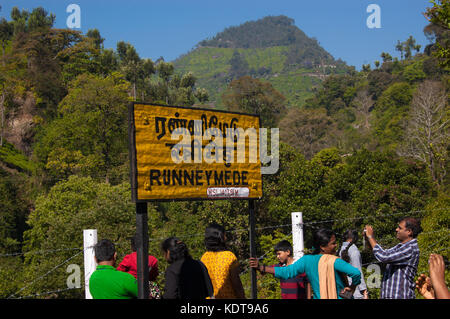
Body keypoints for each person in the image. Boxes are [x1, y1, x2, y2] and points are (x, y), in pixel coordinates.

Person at [250, 228, 361, 299]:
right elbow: (356, 273)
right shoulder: (334, 260)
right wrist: (352, 287)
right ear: (322, 247)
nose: (336, 245)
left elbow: (286, 272)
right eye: (333, 243)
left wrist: (261, 267)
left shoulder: (307, 260)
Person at [364, 217, 421, 299]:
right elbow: (382, 253)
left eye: (400, 228)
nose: (396, 229)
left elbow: (384, 257)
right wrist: (368, 239)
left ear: (409, 232)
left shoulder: (410, 248)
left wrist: (370, 237)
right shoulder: (400, 247)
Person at [200, 223, 246, 299]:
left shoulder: (204, 257)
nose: (226, 237)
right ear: (220, 237)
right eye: (224, 235)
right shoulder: (229, 256)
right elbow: (237, 285)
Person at [116, 234, 160, 298]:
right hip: (147, 287)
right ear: (147, 245)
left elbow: (119, 272)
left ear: (131, 246)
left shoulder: (129, 258)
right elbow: (154, 275)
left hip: (132, 286)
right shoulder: (153, 260)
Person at [339, 230, 368, 299]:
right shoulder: (354, 251)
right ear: (354, 239)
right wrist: (364, 291)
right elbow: (358, 271)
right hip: (355, 290)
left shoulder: (339, 249)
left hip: (343, 290)